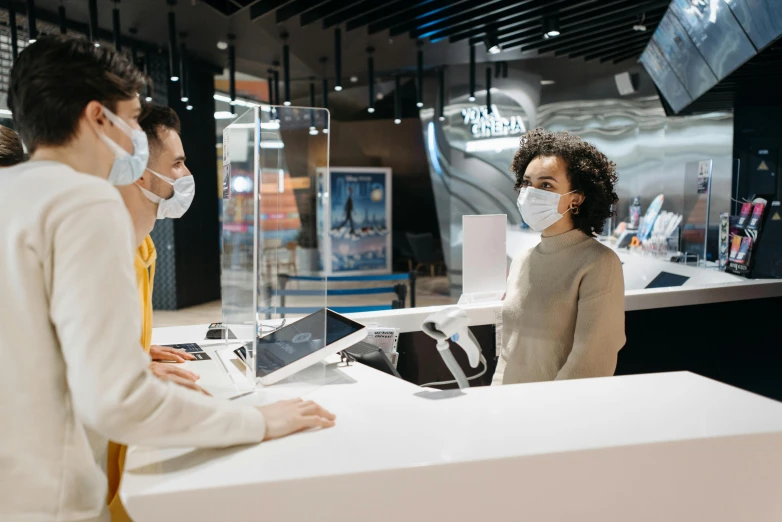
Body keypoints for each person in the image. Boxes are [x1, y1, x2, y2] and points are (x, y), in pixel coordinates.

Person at [0, 36, 335, 522]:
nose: (138, 133)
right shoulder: (84, 201)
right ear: (98, 117)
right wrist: (253, 421)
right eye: (133, 119)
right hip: (49, 501)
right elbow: (118, 401)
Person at [107, 104, 198, 522]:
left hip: (125, 456)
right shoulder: (100, 254)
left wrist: (138, 354)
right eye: (177, 163)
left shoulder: (144, 247)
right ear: (142, 171)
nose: (185, 174)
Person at [493, 128, 625, 385]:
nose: (530, 193)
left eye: (546, 185)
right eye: (527, 183)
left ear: (575, 199)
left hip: (557, 413)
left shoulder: (599, 263)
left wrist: (550, 412)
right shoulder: (522, 260)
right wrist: (496, 399)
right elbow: (508, 351)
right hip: (510, 409)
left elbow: (591, 362)